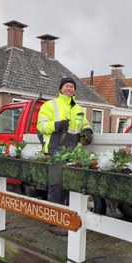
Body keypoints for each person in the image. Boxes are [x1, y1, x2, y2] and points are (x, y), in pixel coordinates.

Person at [37, 76, 93, 235]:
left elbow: (84, 123)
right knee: (56, 186)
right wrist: (56, 125)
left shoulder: (78, 109)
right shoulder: (50, 105)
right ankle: (53, 223)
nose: (69, 89)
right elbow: (40, 126)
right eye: (67, 86)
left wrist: (88, 130)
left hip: (72, 151)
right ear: (61, 89)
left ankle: (65, 220)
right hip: (55, 150)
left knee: (69, 186)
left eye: (72, 87)